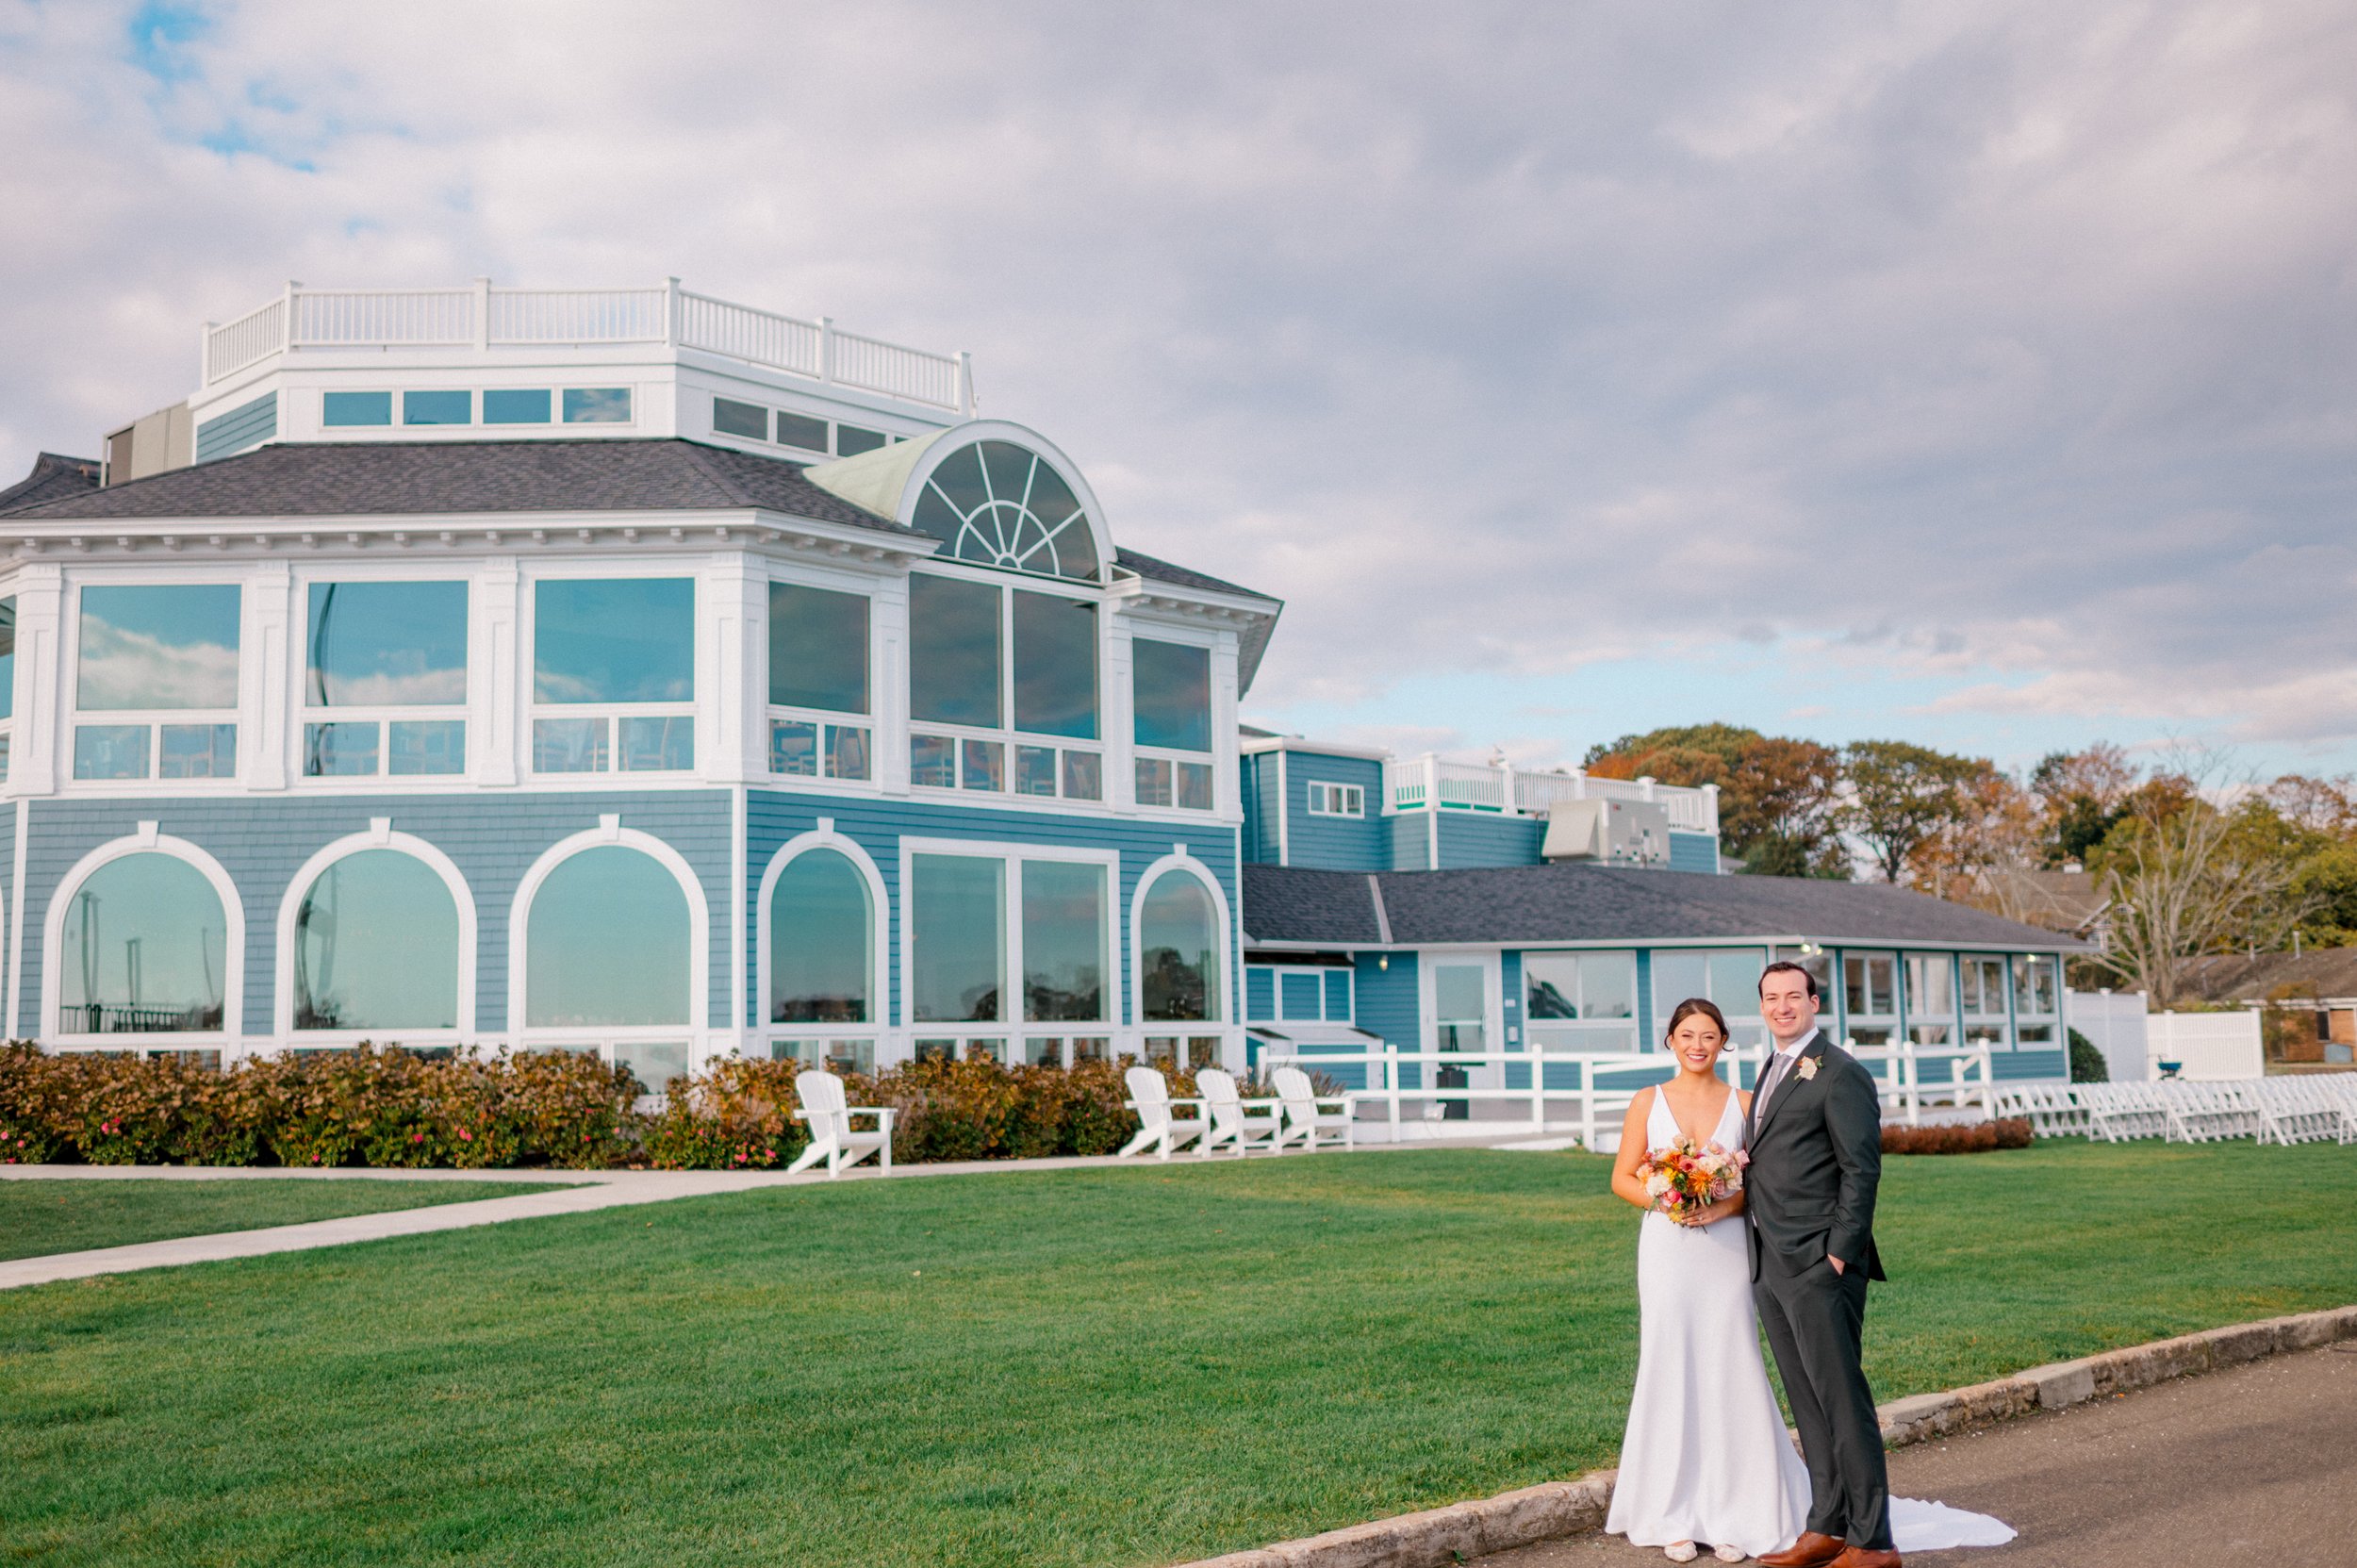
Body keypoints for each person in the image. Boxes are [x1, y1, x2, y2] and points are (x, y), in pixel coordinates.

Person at [1606, 998, 1810, 1562]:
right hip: (1667, 1250)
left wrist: (1722, 1208)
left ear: (1724, 1043)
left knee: (1730, 1360)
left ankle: (1735, 1510)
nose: (1698, 1045)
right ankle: (1671, 1512)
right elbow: (1622, 1177)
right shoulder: (1647, 1101)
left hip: (1724, 1249)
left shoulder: (1746, 1103)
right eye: (1688, 1035)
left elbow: (1760, 1186)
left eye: (1710, 1036)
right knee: (1669, 1362)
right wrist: (1664, 1195)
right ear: (1670, 1040)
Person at [1742, 962, 1898, 1568]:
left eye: (1793, 997)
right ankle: (1827, 1525)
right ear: (1762, 1008)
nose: (1783, 1007)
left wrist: (1837, 1252)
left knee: (1840, 1398)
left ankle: (1873, 1540)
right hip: (1769, 1262)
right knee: (1806, 1400)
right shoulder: (1774, 1067)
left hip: (1818, 1264)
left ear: (1814, 1002)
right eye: (1771, 998)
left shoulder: (1841, 1074)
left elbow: (1862, 1170)